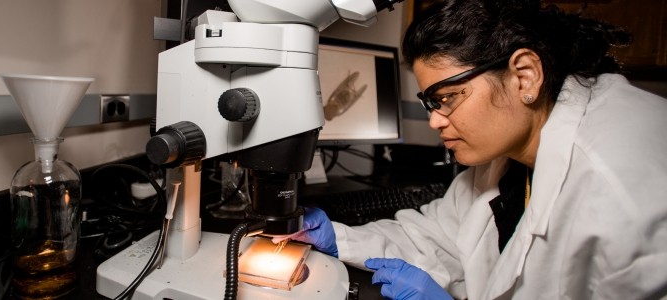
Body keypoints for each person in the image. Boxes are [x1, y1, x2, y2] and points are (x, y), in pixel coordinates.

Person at [278, 0, 667, 299]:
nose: (434, 121)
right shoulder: (512, 151)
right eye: (431, 102)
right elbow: (440, 236)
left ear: (524, 76)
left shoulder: (625, 193)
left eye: (447, 97)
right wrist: (339, 238)